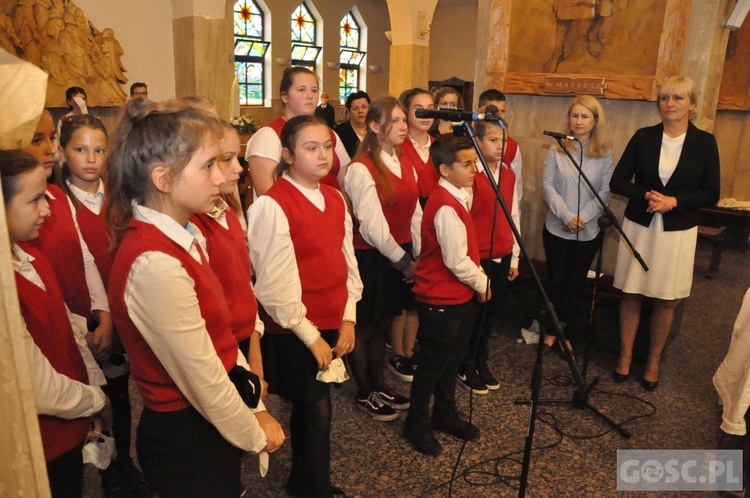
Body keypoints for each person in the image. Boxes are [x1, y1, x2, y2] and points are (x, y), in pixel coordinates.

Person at [106, 99, 284, 497]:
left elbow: (216, 333)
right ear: (163, 179)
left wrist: (251, 403)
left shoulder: (185, 235)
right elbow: (201, 377)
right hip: (185, 432)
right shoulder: (154, 262)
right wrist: (254, 431)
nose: (222, 176)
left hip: (207, 421)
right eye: (208, 166)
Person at [247, 115, 361, 498]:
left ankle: (306, 480)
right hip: (295, 324)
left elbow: (347, 262)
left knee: (319, 406)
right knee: (315, 409)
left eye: (327, 146)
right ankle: (312, 487)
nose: (323, 155)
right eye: (311, 148)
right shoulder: (273, 205)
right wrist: (310, 336)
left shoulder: (334, 197)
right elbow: (273, 285)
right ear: (288, 154)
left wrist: (348, 317)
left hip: (331, 316)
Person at [2, 149, 113, 497]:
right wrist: (96, 401)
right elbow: (38, 386)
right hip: (38, 439)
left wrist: (94, 384)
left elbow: (65, 330)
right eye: (35, 200)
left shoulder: (30, 254)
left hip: (69, 421)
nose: (47, 210)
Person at [611, 76, 720, 391]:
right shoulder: (643, 137)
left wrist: (675, 201)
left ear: (692, 105)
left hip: (677, 231)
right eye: (664, 98)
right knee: (631, 292)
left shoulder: (705, 142)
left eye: (678, 98)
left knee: (666, 299)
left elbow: (712, 192)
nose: (670, 104)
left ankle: (653, 360)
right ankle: (625, 356)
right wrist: (648, 195)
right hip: (640, 226)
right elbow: (618, 182)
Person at [404, 134, 490, 456]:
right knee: (432, 364)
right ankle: (416, 423)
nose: (474, 169)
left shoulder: (459, 195)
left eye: (474, 162)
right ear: (443, 169)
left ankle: (445, 414)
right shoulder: (444, 205)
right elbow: (455, 260)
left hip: (458, 296)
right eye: (466, 164)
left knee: (452, 360)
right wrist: (482, 282)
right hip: (440, 299)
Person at [19, 110, 112, 390]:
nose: (49, 149)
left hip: (92, 318)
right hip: (56, 329)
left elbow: (84, 259)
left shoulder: (57, 198)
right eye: (38, 140)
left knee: (110, 396)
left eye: (50, 138)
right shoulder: (19, 216)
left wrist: (104, 315)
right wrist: (83, 328)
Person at [344, 96, 419, 420]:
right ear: (375, 126)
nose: (404, 127)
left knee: (384, 325)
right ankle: (365, 391)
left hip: (399, 254)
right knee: (365, 329)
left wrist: (421, 251)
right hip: (372, 258)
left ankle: (379, 383)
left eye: (405, 120)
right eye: (397, 121)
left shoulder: (403, 160)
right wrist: (405, 262)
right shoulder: (361, 168)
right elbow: (373, 228)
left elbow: (415, 211)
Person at [190, 121, 266, 388]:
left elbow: (245, 287)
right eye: (226, 159)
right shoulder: (195, 226)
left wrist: (255, 355)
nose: (239, 168)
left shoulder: (227, 211)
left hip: (244, 341)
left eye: (238, 158)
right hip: (220, 353)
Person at [541, 95, 614, 357]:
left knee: (575, 284)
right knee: (556, 282)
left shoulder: (604, 153)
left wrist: (582, 217)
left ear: (595, 121)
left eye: (585, 116)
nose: (579, 121)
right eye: (575, 116)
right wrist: (567, 216)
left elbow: (605, 193)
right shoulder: (556, 148)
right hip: (557, 228)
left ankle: (568, 335)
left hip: (589, 231)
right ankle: (550, 331)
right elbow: (548, 187)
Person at [457, 117, 521, 394]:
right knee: (474, 314)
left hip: (503, 252)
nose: (500, 146)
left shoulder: (508, 173)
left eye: (503, 141)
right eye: (493, 140)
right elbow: (464, 219)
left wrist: (515, 256)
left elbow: (513, 212)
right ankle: (465, 363)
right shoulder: (472, 177)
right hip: (478, 256)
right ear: (477, 142)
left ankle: (481, 360)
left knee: (491, 314)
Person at [245, 66, 350, 196]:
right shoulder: (268, 135)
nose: (310, 96)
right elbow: (268, 194)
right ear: (285, 96)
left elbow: (345, 184)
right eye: (301, 90)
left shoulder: (329, 133)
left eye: (314, 90)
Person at [478, 89, 524, 203]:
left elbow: (516, 187)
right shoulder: (466, 141)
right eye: (492, 110)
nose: (498, 115)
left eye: (502, 111)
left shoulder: (512, 146)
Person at [399, 87, 438, 206]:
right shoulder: (398, 146)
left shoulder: (440, 146)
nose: (425, 115)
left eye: (430, 109)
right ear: (406, 112)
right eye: (419, 109)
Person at [334, 90, 370, 158]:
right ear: (349, 110)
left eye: (364, 107)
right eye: (355, 108)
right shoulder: (339, 132)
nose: (360, 111)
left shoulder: (377, 129)